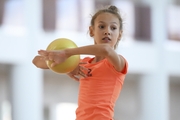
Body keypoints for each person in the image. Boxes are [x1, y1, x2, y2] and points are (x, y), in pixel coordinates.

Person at [33, 5, 128, 120]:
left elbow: (106, 50)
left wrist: (67, 53)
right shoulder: (83, 63)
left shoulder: (118, 63)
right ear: (92, 31)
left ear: (120, 35)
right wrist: (67, 68)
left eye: (113, 28)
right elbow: (37, 61)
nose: (107, 31)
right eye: (102, 26)